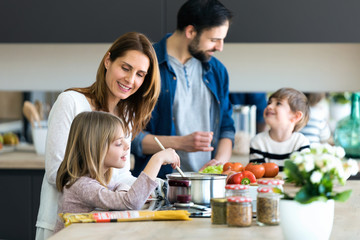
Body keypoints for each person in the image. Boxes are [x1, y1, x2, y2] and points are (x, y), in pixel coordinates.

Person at [35, 32, 161, 240]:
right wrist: (118, 196)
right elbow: (57, 172)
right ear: (108, 60)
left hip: (100, 229)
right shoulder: (71, 102)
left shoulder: (126, 115)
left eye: (140, 74)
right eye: (125, 68)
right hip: (61, 227)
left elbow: (121, 174)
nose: (130, 79)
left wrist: (129, 191)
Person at [131, 0, 235, 178]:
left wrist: (219, 164)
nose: (220, 47)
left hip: (207, 183)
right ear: (190, 31)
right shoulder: (147, 66)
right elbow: (130, 138)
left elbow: (227, 128)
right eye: (214, 40)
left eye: (222, 40)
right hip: (159, 185)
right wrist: (181, 143)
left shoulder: (217, 71)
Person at [53, 111, 180, 233]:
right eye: (119, 143)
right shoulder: (82, 186)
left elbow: (119, 188)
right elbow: (131, 203)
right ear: (96, 150)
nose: (127, 145)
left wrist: (122, 190)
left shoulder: (97, 181)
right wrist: (157, 159)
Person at [249, 88, 310, 171]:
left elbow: (303, 174)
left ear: (296, 116)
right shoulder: (257, 142)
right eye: (269, 103)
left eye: (278, 103)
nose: (269, 106)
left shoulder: (301, 142)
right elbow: (257, 175)